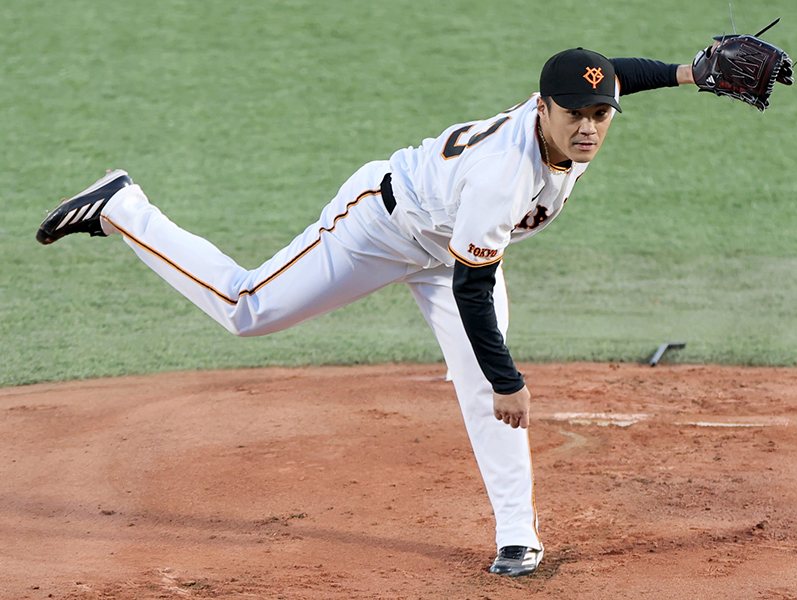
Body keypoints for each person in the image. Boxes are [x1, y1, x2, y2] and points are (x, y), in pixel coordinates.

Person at [37, 47, 697, 576]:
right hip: (380, 227)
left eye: (600, 113)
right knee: (247, 309)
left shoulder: (568, 119)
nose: (588, 127)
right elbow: (475, 289)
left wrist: (687, 73)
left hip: (452, 246)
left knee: (479, 386)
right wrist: (509, 378)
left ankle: (517, 537)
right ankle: (123, 208)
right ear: (543, 108)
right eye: (575, 113)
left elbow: (615, 74)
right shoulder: (506, 176)